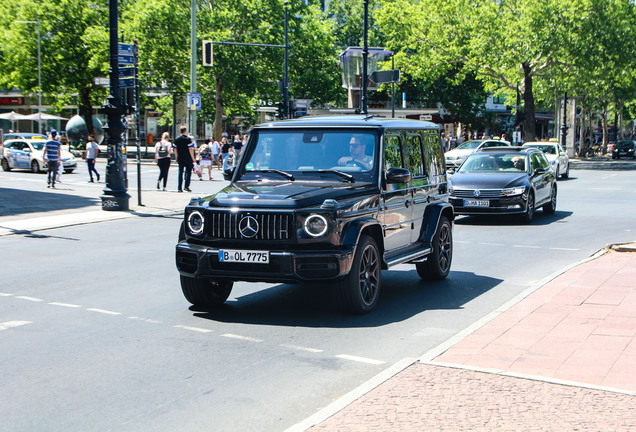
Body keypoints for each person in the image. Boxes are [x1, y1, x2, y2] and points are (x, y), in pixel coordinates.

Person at [174, 126, 195, 192]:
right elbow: (190, 149)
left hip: (180, 157)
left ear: (180, 131)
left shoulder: (177, 139)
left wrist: (176, 157)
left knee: (180, 172)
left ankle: (179, 188)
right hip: (188, 157)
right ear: (185, 131)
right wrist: (193, 158)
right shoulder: (188, 139)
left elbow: (175, 149)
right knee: (188, 172)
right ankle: (186, 186)